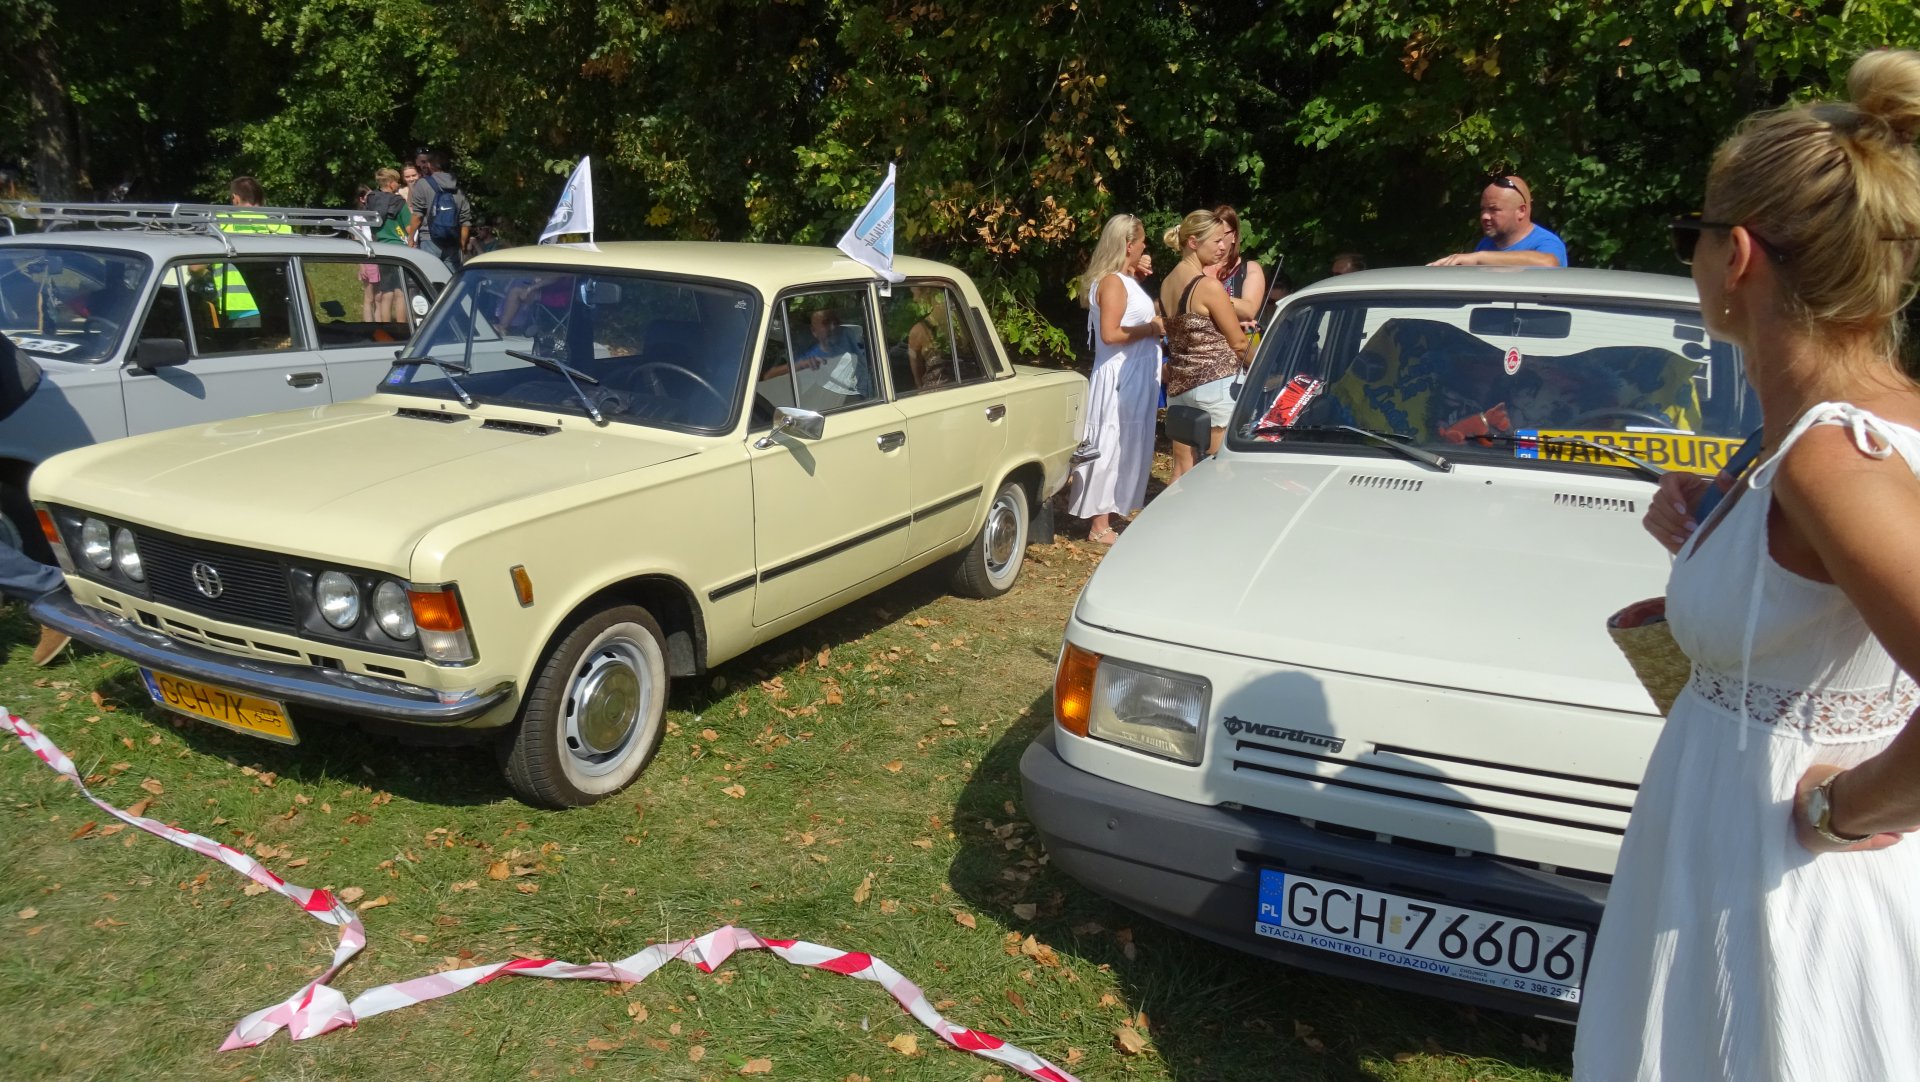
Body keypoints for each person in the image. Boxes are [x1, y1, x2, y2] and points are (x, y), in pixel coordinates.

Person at [1572, 49, 1920, 1081]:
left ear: (1738, 256)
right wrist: (1718, 538)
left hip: (1780, 885)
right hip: (1725, 845)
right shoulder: (1842, 434)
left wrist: (1844, 808)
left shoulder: (1830, 455)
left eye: (1695, 234)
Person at [1067, 215, 1164, 546]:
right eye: (1142, 242)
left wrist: (1136, 273)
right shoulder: (1111, 282)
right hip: (1121, 374)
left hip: (1135, 372)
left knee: (1125, 441)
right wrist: (1151, 328)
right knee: (1111, 441)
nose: (1146, 247)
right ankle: (1099, 523)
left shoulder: (1123, 279)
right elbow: (1110, 334)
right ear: (1128, 244)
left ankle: (1110, 508)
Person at [1160, 209, 1249, 482]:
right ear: (1193, 242)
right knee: (1221, 472)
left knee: (1181, 470)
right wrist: (1265, 370)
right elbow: (1239, 343)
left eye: (1225, 239)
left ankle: (1174, 512)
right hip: (1215, 387)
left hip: (1180, 389)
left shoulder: (1166, 283)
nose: (1224, 246)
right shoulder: (1208, 286)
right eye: (1217, 240)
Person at [1428, 172, 1567, 267]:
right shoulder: (1486, 244)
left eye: (1494, 209)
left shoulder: (1545, 242)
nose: (1485, 216)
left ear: (1521, 211)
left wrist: (1479, 258)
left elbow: (1549, 263)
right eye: (1483, 209)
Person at [407, 149, 472, 274]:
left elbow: (417, 215)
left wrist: (411, 238)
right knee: (451, 280)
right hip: (452, 240)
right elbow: (465, 221)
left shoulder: (422, 184)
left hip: (429, 239)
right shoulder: (458, 187)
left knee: (429, 279)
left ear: (430, 165)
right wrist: (462, 244)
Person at [1206, 204, 1268, 329]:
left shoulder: (1249, 269)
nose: (1216, 239)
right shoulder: (1196, 268)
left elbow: (1249, 310)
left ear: (1234, 236)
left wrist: (1206, 297)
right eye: (1211, 234)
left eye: (1222, 234)